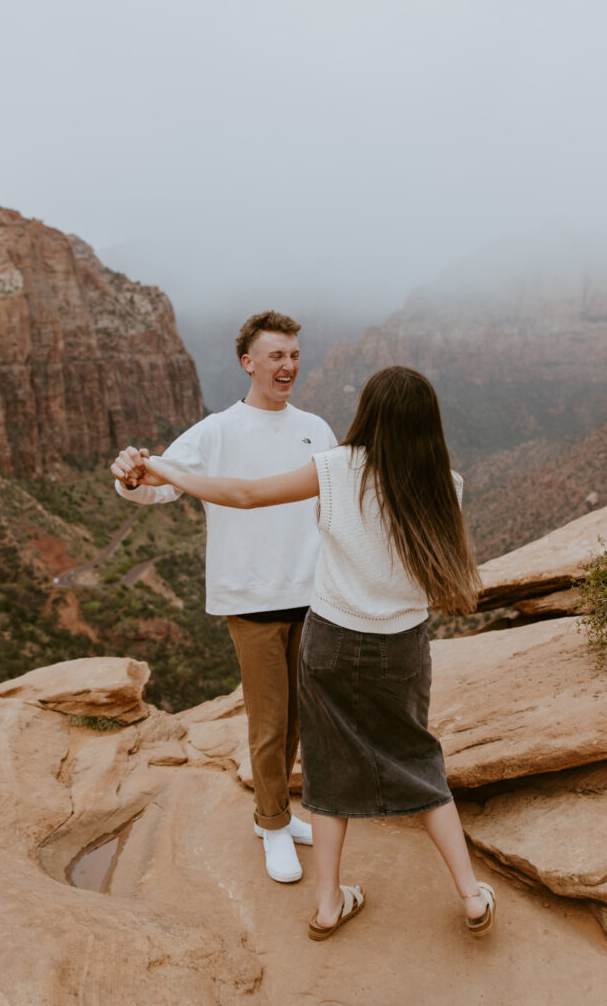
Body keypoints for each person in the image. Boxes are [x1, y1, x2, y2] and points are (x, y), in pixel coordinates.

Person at [130, 366, 496, 942]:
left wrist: (161, 470)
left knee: (327, 767)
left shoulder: (336, 468)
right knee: (418, 759)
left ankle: (328, 905)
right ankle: (472, 896)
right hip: (402, 646)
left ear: (368, 413)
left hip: (331, 641)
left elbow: (246, 495)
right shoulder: (445, 482)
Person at [110, 310, 336, 884]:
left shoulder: (316, 427)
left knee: (300, 718)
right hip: (251, 597)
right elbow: (155, 487)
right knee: (268, 720)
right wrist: (129, 477)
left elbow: (334, 507)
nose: (288, 366)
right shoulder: (216, 431)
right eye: (276, 356)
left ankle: (278, 814)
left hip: (312, 594)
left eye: (293, 355)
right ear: (248, 363)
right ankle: (272, 823)